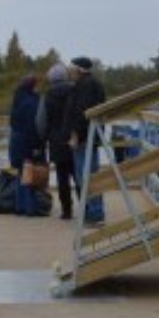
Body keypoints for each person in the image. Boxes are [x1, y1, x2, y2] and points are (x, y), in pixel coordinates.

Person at [64, 56, 106, 224]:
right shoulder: (90, 84)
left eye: (71, 69)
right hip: (88, 136)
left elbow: (82, 112)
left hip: (84, 138)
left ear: (79, 70)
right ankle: (91, 210)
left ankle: (95, 213)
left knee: (86, 176)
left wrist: (75, 134)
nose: (70, 72)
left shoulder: (85, 86)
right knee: (87, 175)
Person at [40, 62, 74, 219]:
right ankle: (87, 209)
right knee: (79, 174)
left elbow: (41, 121)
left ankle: (66, 211)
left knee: (62, 178)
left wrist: (45, 137)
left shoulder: (47, 96)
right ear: (65, 76)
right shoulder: (74, 91)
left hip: (56, 141)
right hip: (74, 138)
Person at [8, 73, 45, 217]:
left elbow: (13, 123)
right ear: (33, 86)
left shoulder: (17, 99)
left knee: (20, 174)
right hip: (27, 142)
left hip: (16, 142)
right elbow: (32, 126)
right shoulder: (32, 102)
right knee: (30, 174)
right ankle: (30, 208)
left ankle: (19, 206)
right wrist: (36, 145)